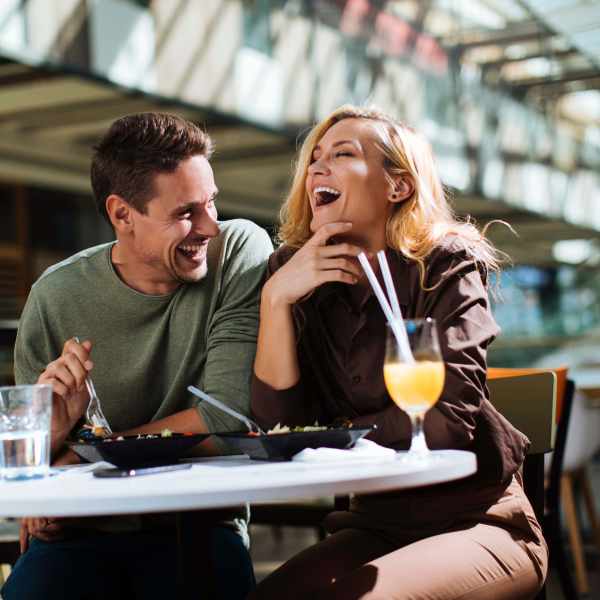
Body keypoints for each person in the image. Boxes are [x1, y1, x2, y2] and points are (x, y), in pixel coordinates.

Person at [250, 105, 548, 599]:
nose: (316, 169)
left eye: (343, 153)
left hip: (479, 522)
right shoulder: (294, 274)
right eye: (315, 158)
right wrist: (275, 300)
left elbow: (443, 421)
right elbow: (281, 429)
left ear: (398, 186)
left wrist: (337, 436)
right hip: (374, 526)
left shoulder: (445, 263)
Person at [1, 113, 273, 600]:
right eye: (187, 212)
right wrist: (57, 434)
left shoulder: (238, 252)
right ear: (122, 215)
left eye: (211, 201)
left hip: (196, 523)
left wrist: (86, 457)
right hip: (80, 531)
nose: (210, 225)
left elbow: (227, 418)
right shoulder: (54, 297)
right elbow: (36, 464)